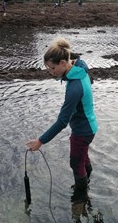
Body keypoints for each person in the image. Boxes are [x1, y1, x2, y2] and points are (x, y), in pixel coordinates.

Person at [26, 38, 98, 194]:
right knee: (83, 156)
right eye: (48, 69)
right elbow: (82, 65)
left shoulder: (74, 88)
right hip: (89, 126)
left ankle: (80, 198)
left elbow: (62, 121)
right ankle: (89, 177)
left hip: (82, 131)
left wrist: (40, 141)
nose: (51, 73)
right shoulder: (79, 67)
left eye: (52, 68)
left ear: (63, 63)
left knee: (76, 163)